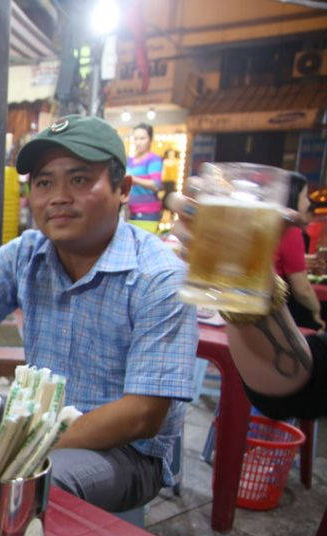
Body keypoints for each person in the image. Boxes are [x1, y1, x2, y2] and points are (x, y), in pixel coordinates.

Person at [0, 115, 197, 512]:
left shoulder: (158, 275)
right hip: (38, 433)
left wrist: (18, 447)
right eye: (44, 182)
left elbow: (143, 416)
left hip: (127, 454)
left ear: (123, 189)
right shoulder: (28, 252)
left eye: (80, 180)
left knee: (32, 485)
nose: (58, 196)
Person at [170, 191, 325, 420]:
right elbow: (304, 387)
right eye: (304, 195)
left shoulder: (290, 233)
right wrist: (240, 273)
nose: (310, 200)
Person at [274, 172, 324, 331]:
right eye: (305, 196)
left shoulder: (271, 224)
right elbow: (302, 289)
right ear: (294, 197)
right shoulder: (290, 230)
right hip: (279, 311)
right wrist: (317, 312)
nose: (308, 202)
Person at [126, 123, 163, 225]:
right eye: (136, 139)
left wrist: (132, 179)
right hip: (130, 211)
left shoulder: (153, 159)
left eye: (142, 138)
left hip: (148, 213)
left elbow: (156, 185)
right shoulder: (129, 161)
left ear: (150, 140)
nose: (138, 142)